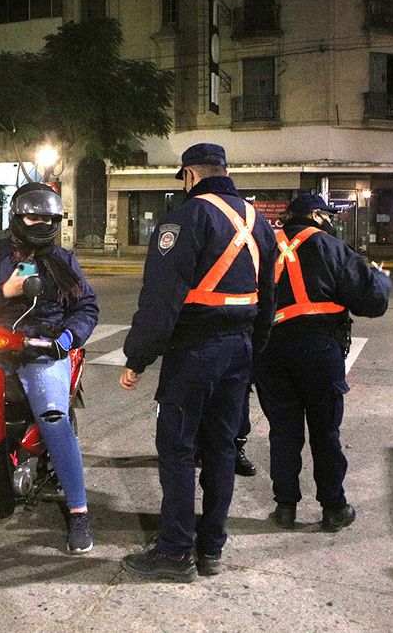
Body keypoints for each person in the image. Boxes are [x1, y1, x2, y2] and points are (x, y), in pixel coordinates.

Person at [118, 143, 276, 582]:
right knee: (221, 449)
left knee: (178, 448)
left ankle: (173, 552)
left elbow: (161, 298)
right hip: (239, 349)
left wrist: (138, 357)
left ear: (189, 175)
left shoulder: (185, 218)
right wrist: (253, 353)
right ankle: (211, 549)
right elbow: (269, 299)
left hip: (196, 351)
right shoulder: (257, 220)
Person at [0, 181, 99, 554]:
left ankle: (79, 509)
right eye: (33, 216)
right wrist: (6, 291)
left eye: (47, 217)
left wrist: (66, 340)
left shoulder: (64, 261)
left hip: (42, 350)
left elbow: (87, 308)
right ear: (17, 216)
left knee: (54, 418)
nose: (40, 223)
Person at [254, 193, 391, 533]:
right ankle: (333, 507)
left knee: (283, 432)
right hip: (318, 351)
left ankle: (285, 508)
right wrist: (382, 279)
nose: (331, 221)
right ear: (316, 215)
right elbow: (370, 301)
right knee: (325, 432)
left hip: (271, 351)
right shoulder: (329, 246)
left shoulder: (265, 247)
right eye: (328, 215)